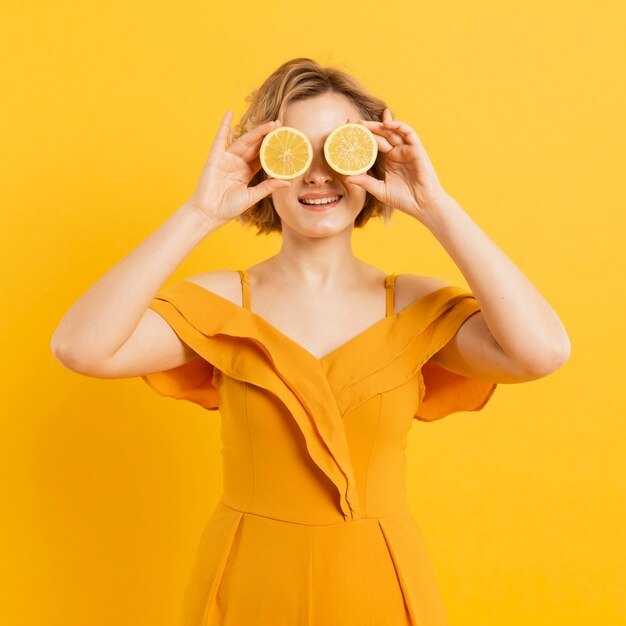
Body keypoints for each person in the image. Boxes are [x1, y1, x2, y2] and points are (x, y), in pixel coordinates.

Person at [51, 57, 571, 626]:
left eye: (340, 149)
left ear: (372, 161)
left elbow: (542, 352)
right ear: (261, 167)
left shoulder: (413, 305)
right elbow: (81, 348)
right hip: (245, 580)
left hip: (381, 580)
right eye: (295, 151)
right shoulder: (227, 303)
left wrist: (436, 208)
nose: (318, 173)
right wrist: (200, 213)